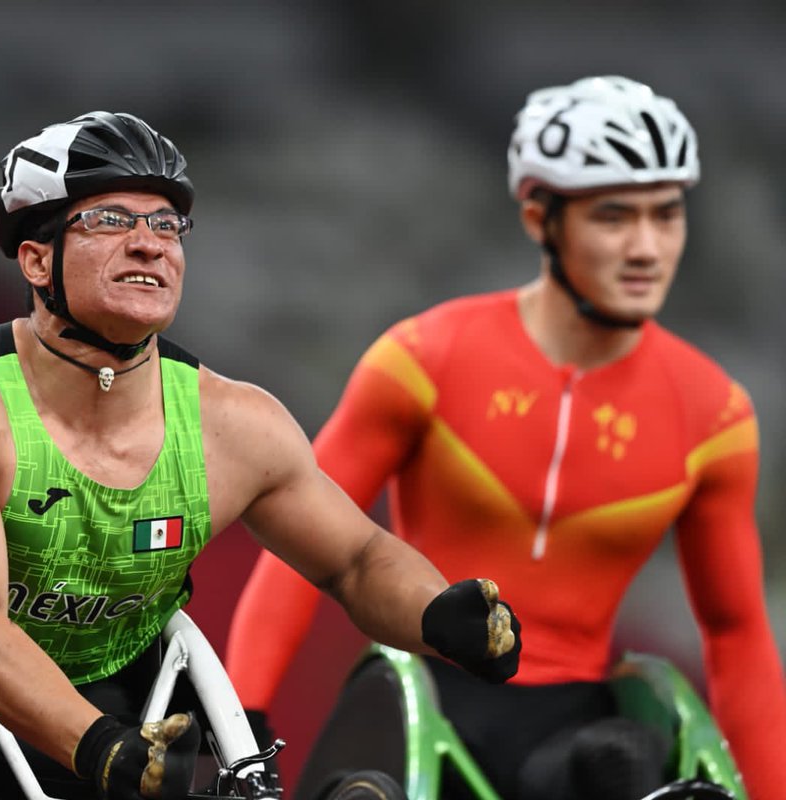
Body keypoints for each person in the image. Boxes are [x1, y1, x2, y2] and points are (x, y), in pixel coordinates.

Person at [0, 110, 522, 800]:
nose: (149, 245)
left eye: (166, 226)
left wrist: (439, 615)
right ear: (37, 259)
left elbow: (357, 559)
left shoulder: (235, 424)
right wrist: (100, 749)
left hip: (138, 706)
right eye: (111, 221)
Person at [225, 76, 786, 800]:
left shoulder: (715, 414)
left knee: (626, 762)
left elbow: (737, 636)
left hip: (579, 734)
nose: (647, 247)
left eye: (667, 216)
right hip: (424, 700)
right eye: (615, 217)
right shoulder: (424, 358)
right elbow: (296, 547)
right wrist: (241, 725)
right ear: (538, 216)